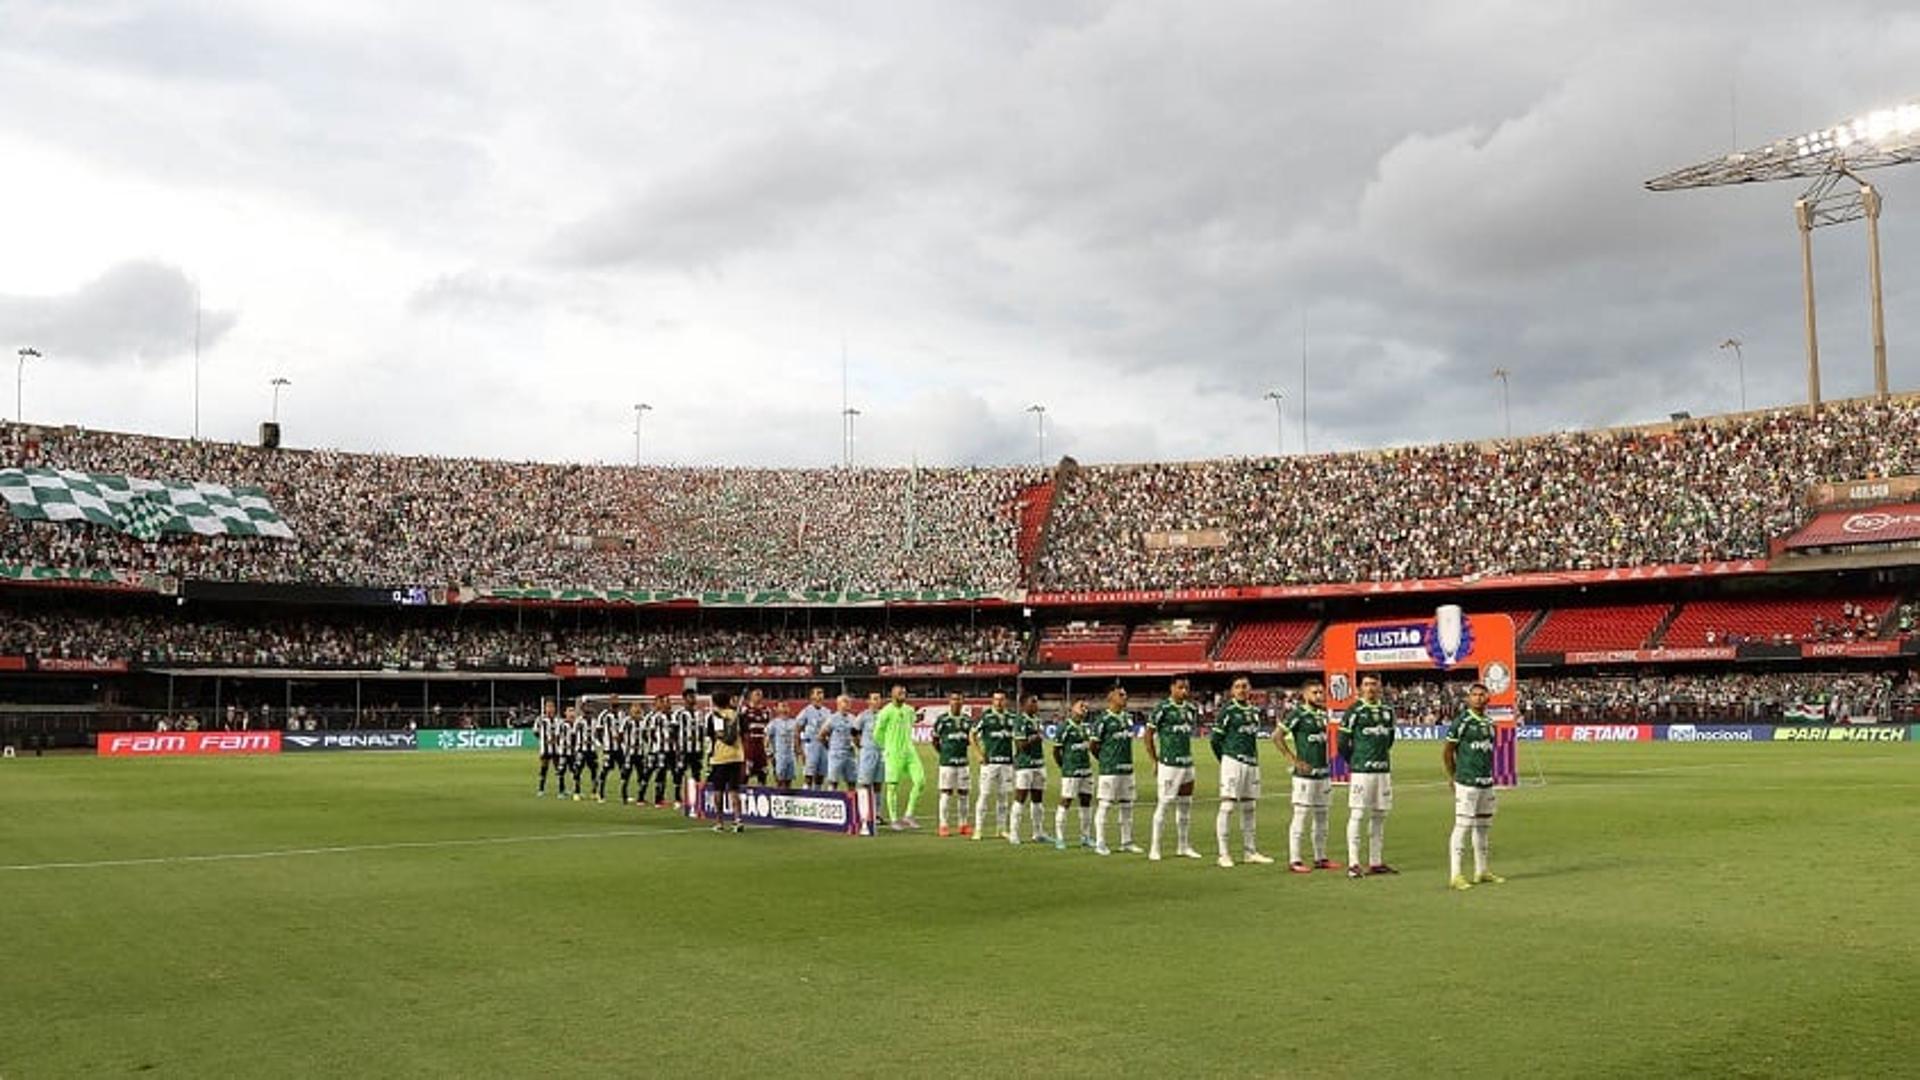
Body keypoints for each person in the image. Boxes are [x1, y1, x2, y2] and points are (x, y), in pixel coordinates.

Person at [1444, 683, 1505, 890]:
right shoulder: (1462, 721)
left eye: (1482, 695)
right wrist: (1453, 776)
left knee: (1483, 827)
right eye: (1475, 695)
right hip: (1467, 782)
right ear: (1468, 699)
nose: (1478, 698)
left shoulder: (1489, 722)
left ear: (1488, 698)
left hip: (1485, 781)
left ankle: (1482, 871)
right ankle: (1456, 875)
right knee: (1462, 826)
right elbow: (1447, 751)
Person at [1209, 677, 1272, 867]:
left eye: (1244, 686)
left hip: (1251, 763)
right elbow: (1215, 740)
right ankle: (1223, 854)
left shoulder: (1254, 711)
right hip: (1233, 762)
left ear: (1250, 688)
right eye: (1237, 687)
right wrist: (1226, 760)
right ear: (1232, 690)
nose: (1242, 690)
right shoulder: (1228, 711)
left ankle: (1250, 852)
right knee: (1227, 807)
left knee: (1249, 807)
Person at [1340, 674, 1398, 879]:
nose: (1371, 688)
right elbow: (1342, 742)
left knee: (1379, 816)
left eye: (1374, 684)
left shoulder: (1387, 711)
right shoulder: (1354, 710)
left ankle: (1375, 861)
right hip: (1362, 772)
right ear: (1360, 688)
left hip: (1382, 770)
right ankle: (1353, 863)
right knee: (1357, 814)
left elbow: (1389, 739)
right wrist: (1355, 762)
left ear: (1380, 687)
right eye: (1366, 684)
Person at [1277, 679, 1337, 873]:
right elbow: (1277, 736)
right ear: (1304, 695)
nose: (1319, 696)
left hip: (1323, 773)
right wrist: (1293, 760)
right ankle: (1295, 860)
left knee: (1322, 816)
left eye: (1321, 692)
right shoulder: (1298, 714)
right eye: (1315, 692)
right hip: (1304, 776)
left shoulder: (1322, 714)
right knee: (1301, 816)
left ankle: (1320, 857)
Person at [1144, 677, 1202, 861]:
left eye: (1187, 687)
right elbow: (1148, 735)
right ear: (1172, 688)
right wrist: (1154, 760)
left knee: (1185, 806)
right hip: (1169, 764)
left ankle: (1183, 846)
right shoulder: (1163, 708)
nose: (1184, 691)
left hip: (1187, 763)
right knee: (1164, 805)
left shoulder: (1191, 709)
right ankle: (1155, 847)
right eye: (1180, 687)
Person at [1087, 686, 1141, 856]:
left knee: (1127, 805)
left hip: (1127, 768)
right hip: (1110, 770)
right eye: (1121, 694)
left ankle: (1126, 841)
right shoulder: (1103, 720)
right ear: (1111, 697)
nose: (1125, 697)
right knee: (1105, 805)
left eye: (1125, 694)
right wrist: (1104, 759)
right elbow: (1093, 746)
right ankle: (1100, 842)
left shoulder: (1127, 718)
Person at [873, 685, 924, 830]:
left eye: (904, 692)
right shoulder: (885, 712)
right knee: (892, 786)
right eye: (900, 692)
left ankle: (908, 815)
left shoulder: (909, 710)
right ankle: (894, 819)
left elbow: (912, 721)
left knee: (920, 781)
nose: (903, 694)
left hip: (909, 751)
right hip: (893, 753)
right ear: (892, 694)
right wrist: (887, 747)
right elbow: (877, 734)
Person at [970, 690, 1017, 842]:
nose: (998, 702)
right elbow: (972, 735)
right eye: (996, 699)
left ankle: (1001, 829)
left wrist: (1016, 755)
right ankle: (978, 829)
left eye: (1001, 700)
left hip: (1007, 763)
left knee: (1003, 797)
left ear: (1006, 701)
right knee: (984, 795)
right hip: (990, 764)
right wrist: (978, 754)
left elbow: (1017, 738)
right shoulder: (986, 717)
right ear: (992, 701)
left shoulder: (1012, 718)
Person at [1052, 700, 1095, 850]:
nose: (1084, 708)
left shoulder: (1086, 728)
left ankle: (1085, 836)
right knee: (1066, 802)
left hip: (1086, 770)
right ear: (1072, 709)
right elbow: (1056, 751)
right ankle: (1060, 837)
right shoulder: (1064, 727)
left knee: (1086, 802)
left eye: (1086, 707)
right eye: (1081, 706)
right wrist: (1063, 767)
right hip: (1071, 771)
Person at [933, 691, 974, 837]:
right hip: (947, 764)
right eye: (954, 699)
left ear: (963, 702)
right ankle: (943, 825)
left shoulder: (968, 721)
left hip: (963, 763)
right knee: (946, 793)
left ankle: (963, 824)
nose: (956, 702)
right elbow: (935, 740)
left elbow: (971, 740)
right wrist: (943, 754)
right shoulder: (942, 720)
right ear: (949, 701)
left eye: (959, 699)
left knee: (964, 794)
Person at [1011, 693, 1050, 845]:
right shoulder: (1020, 721)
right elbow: (1021, 746)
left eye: (1036, 702)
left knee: (1038, 801)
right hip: (1025, 766)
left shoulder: (1037, 720)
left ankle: (1038, 832)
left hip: (1039, 764)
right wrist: (1035, 738)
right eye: (1033, 702)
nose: (1036, 705)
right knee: (1020, 798)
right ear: (1024, 704)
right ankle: (1014, 833)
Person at [705, 690, 745, 833]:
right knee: (734, 790)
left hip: (720, 758)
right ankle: (738, 820)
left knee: (718, 790)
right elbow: (743, 734)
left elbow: (714, 737)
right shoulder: (737, 715)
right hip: (736, 756)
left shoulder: (714, 717)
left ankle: (719, 822)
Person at [854, 691, 887, 820]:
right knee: (865, 783)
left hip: (881, 752)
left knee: (878, 783)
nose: (877, 701)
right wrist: (861, 746)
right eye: (874, 699)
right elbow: (854, 732)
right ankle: (863, 813)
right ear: (869, 701)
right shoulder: (863, 716)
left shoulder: (884, 715)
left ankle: (877, 814)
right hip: (867, 751)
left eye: (879, 699)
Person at [797, 687, 832, 790]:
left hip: (823, 746)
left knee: (820, 775)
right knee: (809, 774)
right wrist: (799, 747)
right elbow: (798, 728)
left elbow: (829, 729)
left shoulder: (827, 712)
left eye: (821, 693)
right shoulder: (806, 711)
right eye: (817, 693)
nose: (820, 696)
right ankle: (806, 795)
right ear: (812, 696)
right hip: (810, 745)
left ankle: (817, 795)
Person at [823, 693, 858, 791]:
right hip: (836, 754)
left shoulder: (853, 718)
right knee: (833, 781)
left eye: (849, 702)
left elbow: (855, 735)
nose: (847, 705)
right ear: (838, 704)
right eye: (845, 702)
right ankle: (832, 802)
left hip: (850, 754)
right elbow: (821, 735)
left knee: (852, 781)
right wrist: (830, 747)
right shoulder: (832, 718)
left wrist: (856, 744)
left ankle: (851, 804)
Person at [673, 693, 704, 804]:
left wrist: (701, 748)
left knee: (697, 773)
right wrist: (677, 748)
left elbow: (701, 731)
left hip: (696, 749)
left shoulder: (699, 714)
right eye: (691, 697)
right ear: (685, 699)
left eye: (694, 697)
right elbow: (674, 732)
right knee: (680, 772)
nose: (693, 699)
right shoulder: (678, 714)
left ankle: (698, 797)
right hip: (683, 749)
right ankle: (677, 797)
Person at [740, 688, 772, 787]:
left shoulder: (766, 710)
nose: (759, 696)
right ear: (751, 696)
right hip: (749, 744)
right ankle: (742, 793)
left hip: (761, 744)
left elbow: (769, 728)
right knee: (746, 772)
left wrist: (768, 746)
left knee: (763, 772)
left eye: (760, 694)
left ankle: (762, 794)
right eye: (756, 694)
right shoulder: (745, 709)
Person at [767, 703, 801, 790]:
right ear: (777, 709)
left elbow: (796, 738)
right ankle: (778, 800)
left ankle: (787, 800)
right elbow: (767, 738)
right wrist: (769, 753)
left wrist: (798, 752)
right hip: (779, 755)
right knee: (779, 781)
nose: (785, 708)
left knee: (789, 781)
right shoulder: (773, 723)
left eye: (787, 706)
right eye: (782, 706)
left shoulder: (793, 722)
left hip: (791, 756)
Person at [534, 700, 561, 798]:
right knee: (544, 768)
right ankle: (541, 789)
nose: (550, 709)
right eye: (548, 707)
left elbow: (561, 733)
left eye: (551, 707)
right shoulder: (540, 719)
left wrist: (555, 740)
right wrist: (543, 740)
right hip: (545, 749)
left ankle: (561, 790)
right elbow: (535, 732)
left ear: (554, 708)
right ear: (545, 708)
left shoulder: (558, 720)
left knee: (558, 769)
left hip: (556, 749)